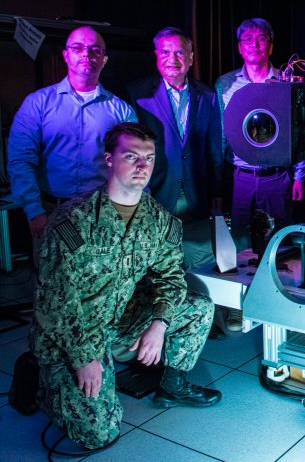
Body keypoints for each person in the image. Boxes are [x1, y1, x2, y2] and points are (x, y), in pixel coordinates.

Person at [30, 123, 222, 450]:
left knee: (198, 308)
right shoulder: (73, 221)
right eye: (131, 156)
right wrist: (83, 359)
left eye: (149, 158)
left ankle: (173, 386)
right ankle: (41, 385)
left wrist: (159, 325)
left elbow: (171, 277)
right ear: (109, 159)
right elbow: (56, 304)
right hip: (74, 332)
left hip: (119, 317)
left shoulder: (158, 220)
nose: (142, 166)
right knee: (99, 434)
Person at [215, 17, 305, 331]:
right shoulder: (226, 84)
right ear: (239, 46)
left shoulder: (286, 81)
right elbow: (220, 132)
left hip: (277, 175)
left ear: (270, 45)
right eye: (247, 39)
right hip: (239, 175)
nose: (254, 45)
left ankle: (276, 305)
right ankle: (237, 306)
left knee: (278, 240)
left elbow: (300, 133)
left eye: (261, 39)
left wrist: (299, 176)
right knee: (238, 241)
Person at [8, 26, 137, 240]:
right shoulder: (37, 103)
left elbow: (134, 164)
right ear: (66, 56)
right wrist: (34, 211)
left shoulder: (122, 111)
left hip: (104, 214)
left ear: (104, 59)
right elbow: (20, 160)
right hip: (50, 212)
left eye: (95, 49)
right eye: (78, 48)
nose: (86, 54)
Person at [126, 27, 224, 270]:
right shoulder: (138, 95)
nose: (173, 59)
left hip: (196, 195)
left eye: (180, 52)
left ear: (191, 58)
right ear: (156, 56)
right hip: (156, 194)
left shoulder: (208, 96)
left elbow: (213, 149)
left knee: (195, 265)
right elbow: (130, 152)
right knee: (157, 266)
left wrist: (217, 192)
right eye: (165, 52)